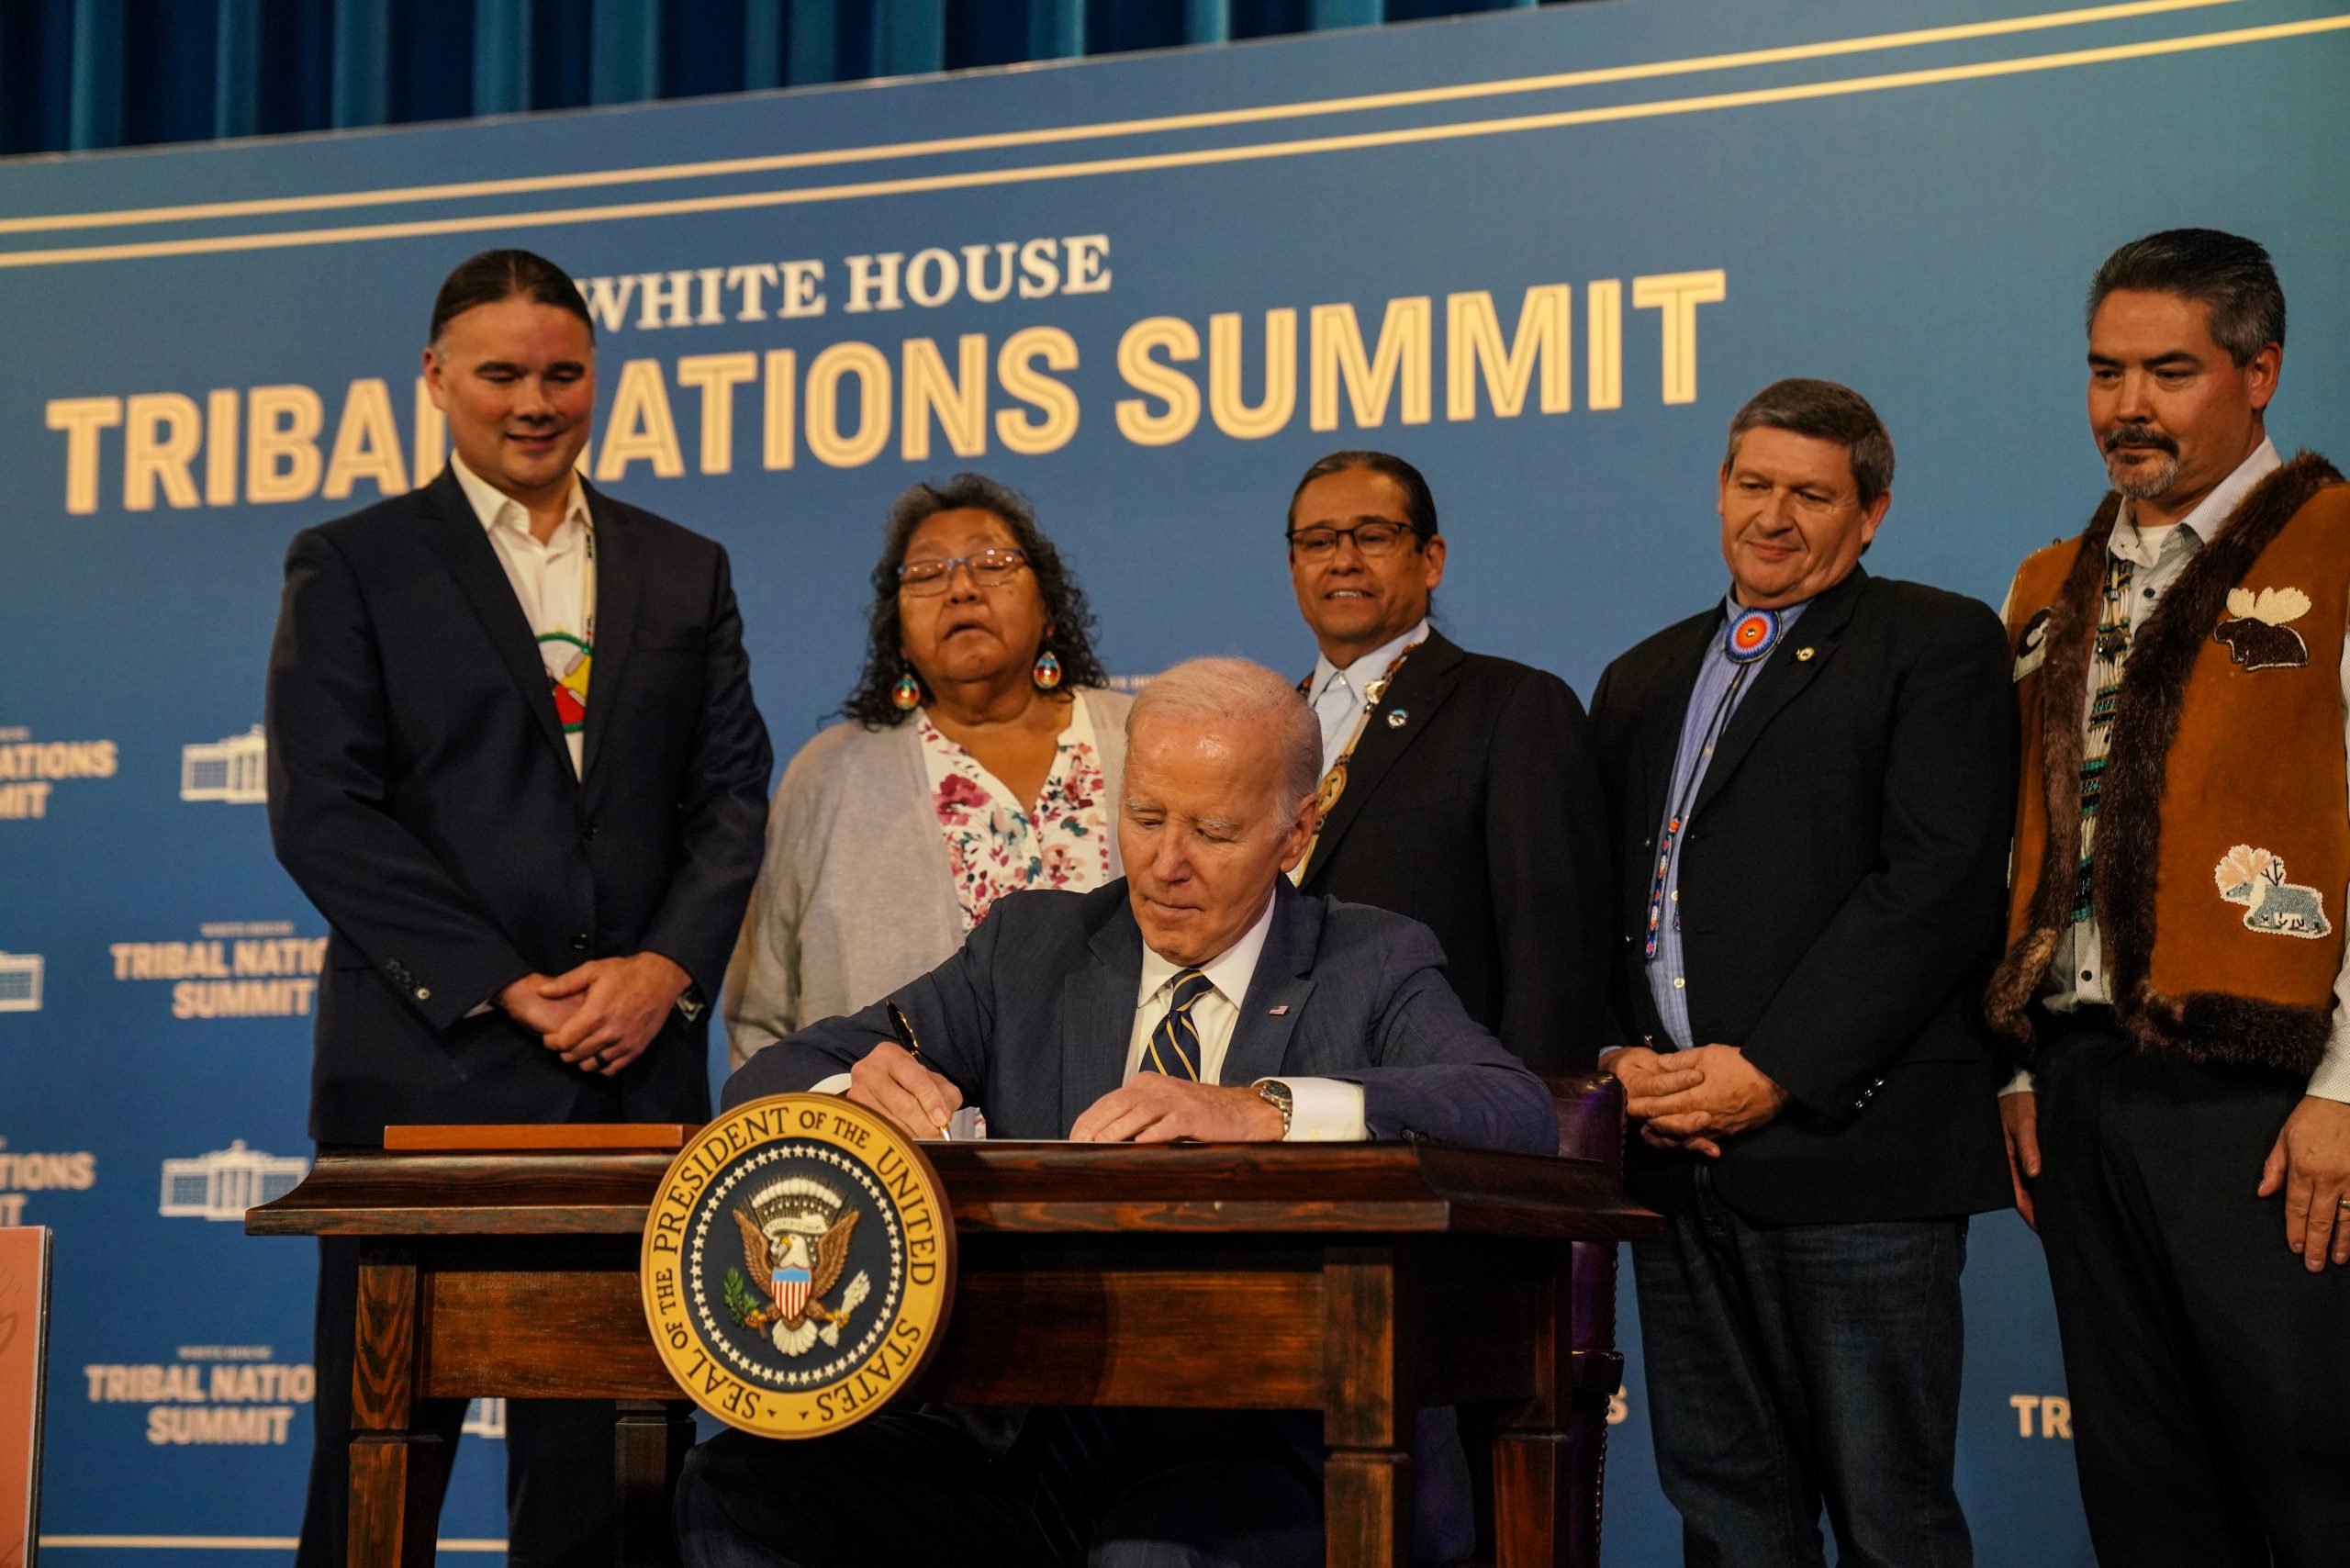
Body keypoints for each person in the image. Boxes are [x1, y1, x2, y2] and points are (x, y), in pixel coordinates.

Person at [681, 657, 1558, 1568]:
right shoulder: (1032, 947)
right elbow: (775, 1075)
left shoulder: (1369, 961)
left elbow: (1510, 1107)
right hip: (1033, 1439)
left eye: (1212, 831)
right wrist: (853, 1096)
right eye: (1143, 818)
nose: (1165, 863)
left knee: (1147, 1552)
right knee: (734, 1488)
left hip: (1280, 1448)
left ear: (1296, 830)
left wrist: (1262, 1109)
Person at [264, 248, 772, 1567]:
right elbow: (324, 810)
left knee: (613, 1488)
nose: (535, 403)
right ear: (435, 380)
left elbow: (731, 797)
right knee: (380, 1483)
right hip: (427, 1081)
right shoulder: (352, 563)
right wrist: (503, 981)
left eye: (563, 375)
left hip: (633, 1093)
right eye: (501, 375)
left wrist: (665, 969)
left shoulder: (685, 565)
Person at [1587, 379, 2015, 1566]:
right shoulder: (1640, 678)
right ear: (1722, 488)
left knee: (1891, 1520)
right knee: (1727, 1519)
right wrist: (1622, 1059)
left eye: (1811, 495)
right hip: (1676, 1158)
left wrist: (1774, 1068)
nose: (1774, 516)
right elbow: (1606, 906)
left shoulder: (1934, 642)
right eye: (1755, 484)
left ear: (1869, 513)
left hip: (1854, 1159)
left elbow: (1936, 886)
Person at [1986, 230, 2350, 1566]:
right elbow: (2020, 842)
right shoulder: (2043, 582)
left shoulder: (2343, 541)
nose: (2128, 406)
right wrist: (2014, 1070)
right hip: (2081, 1090)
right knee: (2142, 1493)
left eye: (2170, 371)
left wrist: (2346, 1093)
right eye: (2105, 372)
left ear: (2259, 374)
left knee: (2308, 1474)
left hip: (2266, 1097)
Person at [724, 474, 1129, 1067]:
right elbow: (762, 1016)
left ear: (1047, 609)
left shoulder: (1141, 736)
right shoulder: (831, 776)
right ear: (901, 640)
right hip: (898, 1152)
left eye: (992, 563)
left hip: (1135, 1144)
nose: (962, 588)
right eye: (927, 574)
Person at [1281, 450, 1612, 1070]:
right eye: (1319, 540)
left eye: (1374, 536)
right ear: (1294, 563)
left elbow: (1553, 956)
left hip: (1437, 1104)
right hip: (1270, 1098)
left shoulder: (1509, 706)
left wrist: (1524, 1121)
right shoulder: (1267, 724)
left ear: (1431, 559)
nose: (1344, 559)